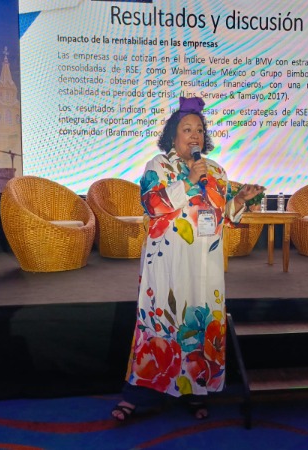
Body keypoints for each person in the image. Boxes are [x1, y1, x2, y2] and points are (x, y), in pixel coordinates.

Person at [112, 96, 264, 421]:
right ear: (173, 135)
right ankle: (137, 395)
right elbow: (152, 205)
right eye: (187, 129)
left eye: (199, 130)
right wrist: (189, 180)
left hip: (204, 262)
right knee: (162, 320)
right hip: (167, 260)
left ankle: (195, 391)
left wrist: (241, 200)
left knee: (199, 320)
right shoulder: (158, 166)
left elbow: (225, 215)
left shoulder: (216, 170)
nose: (194, 135)